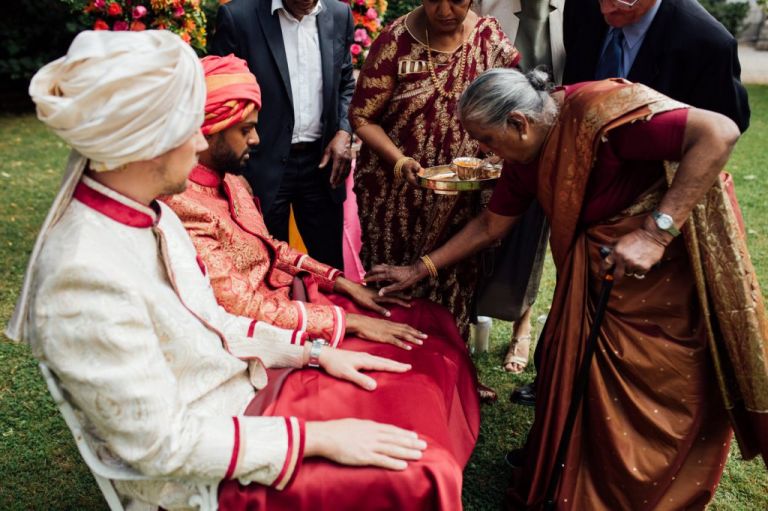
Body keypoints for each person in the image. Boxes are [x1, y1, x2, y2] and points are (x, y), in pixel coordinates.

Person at [4, 31, 481, 510]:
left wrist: (314, 353)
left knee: (411, 418)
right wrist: (314, 438)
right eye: (191, 127)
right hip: (208, 470)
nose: (201, 142)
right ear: (149, 141)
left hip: (247, 395)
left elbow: (217, 322)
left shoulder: (151, 213)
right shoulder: (83, 272)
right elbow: (158, 445)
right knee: (424, 470)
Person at [367, 68, 768, 508]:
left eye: (487, 139)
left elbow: (719, 132)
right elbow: (490, 225)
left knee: (662, 385)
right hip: (595, 274)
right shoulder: (524, 155)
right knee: (575, 370)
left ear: (519, 122)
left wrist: (655, 233)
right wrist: (419, 270)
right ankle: (576, 478)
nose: (483, 151)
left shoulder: (601, 114)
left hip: (661, 279)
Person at [164, 54, 427, 351]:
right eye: (245, 130)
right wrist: (348, 322)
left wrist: (344, 284)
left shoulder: (231, 180)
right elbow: (239, 306)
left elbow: (272, 248)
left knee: (423, 319)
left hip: (294, 299)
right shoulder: (184, 207)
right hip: (268, 335)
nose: (256, 139)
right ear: (209, 130)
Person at [349, 0, 520, 339]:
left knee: (454, 282)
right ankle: (392, 355)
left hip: (463, 198)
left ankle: (449, 361)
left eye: (456, 0)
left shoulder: (489, 39)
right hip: (395, 200)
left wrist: (495, 155)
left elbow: (512, 102)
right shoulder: (395, 41)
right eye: (433, 0)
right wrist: (400, 161)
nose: (444, 11)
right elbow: (361, 116)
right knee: (393, 286)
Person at [211, 0, 356, 269]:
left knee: (330, 267)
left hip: (322, 165)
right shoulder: (238, 17)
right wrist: (232, 172)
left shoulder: (339, 14)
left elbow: (346, 82)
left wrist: (343, 131)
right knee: (270, 267)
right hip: (259, 165)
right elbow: (221, 94)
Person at [471, 0, 565, 374]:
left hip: (544, 131)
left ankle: (521, 327)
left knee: (532, 234)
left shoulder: (579, 10)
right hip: (492, 125)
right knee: (492, 225)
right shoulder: (485, 4)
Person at [563, 0, 750, 132]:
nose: (606, 9)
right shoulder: (580, 5)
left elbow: (725, 128)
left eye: (624, 1)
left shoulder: (709, 44)